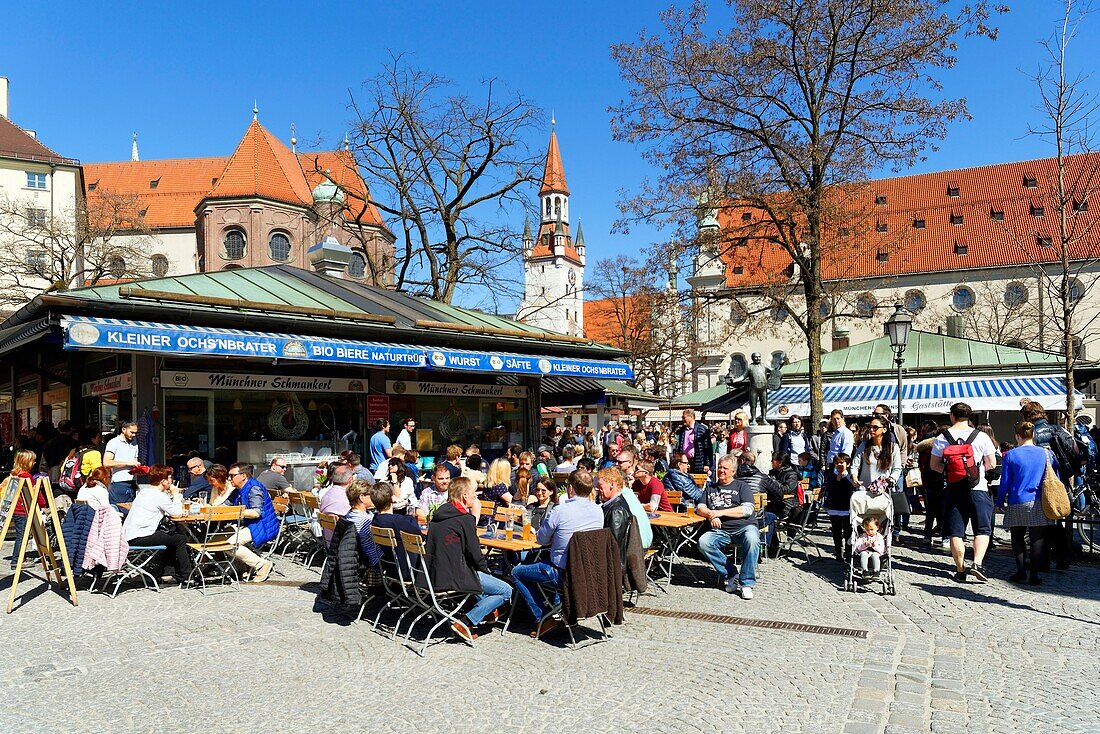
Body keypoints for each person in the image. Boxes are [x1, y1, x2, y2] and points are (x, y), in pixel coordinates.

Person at [510, 469, 603, 635]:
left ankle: (543, 619)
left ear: (571, 488)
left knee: (516, 572)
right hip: (589, 574)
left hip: (561, 573)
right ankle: (559, 610)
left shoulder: (560, 511)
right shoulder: (598, 511)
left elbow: (541, 539)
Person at [426, 477, 512, 640]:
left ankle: (487, 612)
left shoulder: (439, 515)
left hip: (435, 573)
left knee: (484, 584)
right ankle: (465, 622)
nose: (476, 497)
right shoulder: (464, 519)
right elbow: (476, 555)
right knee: (505, 590)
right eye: (473, 493)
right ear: (465, 496)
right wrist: (487, 573)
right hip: (456, 575)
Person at [930, 402, 998, 583]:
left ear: (952, 416)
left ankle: (960, 570)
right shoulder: (981, 436)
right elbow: (991, 463)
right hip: (978, 488)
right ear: (969, 416)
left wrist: (949, 469)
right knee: (982, 529)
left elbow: (934, 466)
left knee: (956, 532)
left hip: (953, 488)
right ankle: (977, 563)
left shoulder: (942, 438)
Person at [996, 421, 1055, 585]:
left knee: (1017, 537)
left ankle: (1021, 571)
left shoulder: (1011, 455)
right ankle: (1034, 575)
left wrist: (1000, 500)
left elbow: (1005, 482)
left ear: (1017, 436)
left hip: (1017, 500)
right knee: (1037, 539)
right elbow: (1053, 476)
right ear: (1034, 435)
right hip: (1039, 500)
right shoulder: (1046, 454)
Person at [696, 455, 759, 599]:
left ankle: (747, 583)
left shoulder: (742, 486)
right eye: (719, 467)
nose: (721, 470)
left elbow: (747, 509)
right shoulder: (711, 487)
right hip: (721, 530)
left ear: (733, 471)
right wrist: (712, 515)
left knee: (752, 539)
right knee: (704, 542)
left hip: (745, 526)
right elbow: (700, 507)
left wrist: (720, 512)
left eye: (725, 468)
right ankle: (731, 574)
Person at [1023, 401, 1077, 570]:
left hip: (1039, 482)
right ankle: (1063, 560)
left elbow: (1029, 459)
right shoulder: (1058, 429)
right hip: (1059, 481)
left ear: (1027, 416)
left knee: (1041, 522)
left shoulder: (1031, 433)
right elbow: (1075, 450)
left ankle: (1042, 561)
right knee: (1056, 521)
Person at [121, 464, 194, 582]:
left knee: (171, 536)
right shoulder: (159, 496)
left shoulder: (144, 492)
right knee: (180, 539)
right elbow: (176, 513)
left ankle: (168, 574)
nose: (172, 481)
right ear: (163, 481)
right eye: (170, 478)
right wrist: (175, 494)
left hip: (130, 534)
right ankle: (187, 576)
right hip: (141, 535)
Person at [222, 463, 278, 582]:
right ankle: (244, 566)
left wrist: (235, 512)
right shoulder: (238, 489)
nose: (229, 478)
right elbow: (225, 505)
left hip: (261, 525)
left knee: (229, 544)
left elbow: (256, 513)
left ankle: (261, 564)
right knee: (218, 539)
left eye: (232, 476)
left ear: (243, 476)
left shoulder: (254, 488)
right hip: (247, 525)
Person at [370, 481, 423, 578]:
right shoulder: (396, 521)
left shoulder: (375, 520)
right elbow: (419, 535)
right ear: (391, 498)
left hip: (392, 567)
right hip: (409, 568)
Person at [5, 449, 48, 568]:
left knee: (21, 534)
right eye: (32, 460)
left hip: (17, 509)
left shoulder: (15, 474)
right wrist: (43, 504)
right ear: (25, 462)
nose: (35, 462)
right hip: (23, 510)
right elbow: (35, 494)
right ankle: (17, 560)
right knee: (22, 536)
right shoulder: (26, 476)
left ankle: (20, 557)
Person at [823, 454, 858, 562]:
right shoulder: (831, 476)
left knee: (848, 532)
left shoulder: (851, 476)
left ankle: (849, 554)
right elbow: (829, 490)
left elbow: (852, 490)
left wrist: (850, 481)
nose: (839, 465)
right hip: (834, 508)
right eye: (837, 463)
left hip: (847, 509)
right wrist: (837, 480)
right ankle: (839, 553)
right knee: (836, 532)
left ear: (847, 464)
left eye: (841, 463)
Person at [344, 479, 383, 567]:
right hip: (375, 560)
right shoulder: (365, 521)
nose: (374, 497)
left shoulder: (349, 515)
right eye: (371, 495)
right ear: (362, 497)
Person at [103, 421, 141, 505]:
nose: (134, 435)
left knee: (130, 512)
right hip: (118, 482)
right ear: (124, 429)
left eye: (135, 433)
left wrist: (138, 470)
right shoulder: (113, 442)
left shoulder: (134, 443)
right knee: (118, 512)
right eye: (132, 432)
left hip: (132, 483)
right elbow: (106, 462)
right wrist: (128, 463)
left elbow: (134, 462)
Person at [675, 409, 713, 475]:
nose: (682, 420)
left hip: (698, 463)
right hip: (685, 463)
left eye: (684, 417)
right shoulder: (682, 430)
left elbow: (708, 448)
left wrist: (707, 464)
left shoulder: (702, 429)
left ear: (691, 417)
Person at [854, 516, 886, 581]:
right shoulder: (863, 536)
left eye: (871, 529)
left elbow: (882, 550)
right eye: (867, 530)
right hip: (865, 551)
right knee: (863, 553)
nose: (869, 532)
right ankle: (865, 571)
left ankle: (876, 571)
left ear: (877, 527)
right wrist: (864, 545)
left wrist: (874, 546)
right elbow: (857, 548)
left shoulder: (879, 537)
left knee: (875, 555)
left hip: (876, 552)